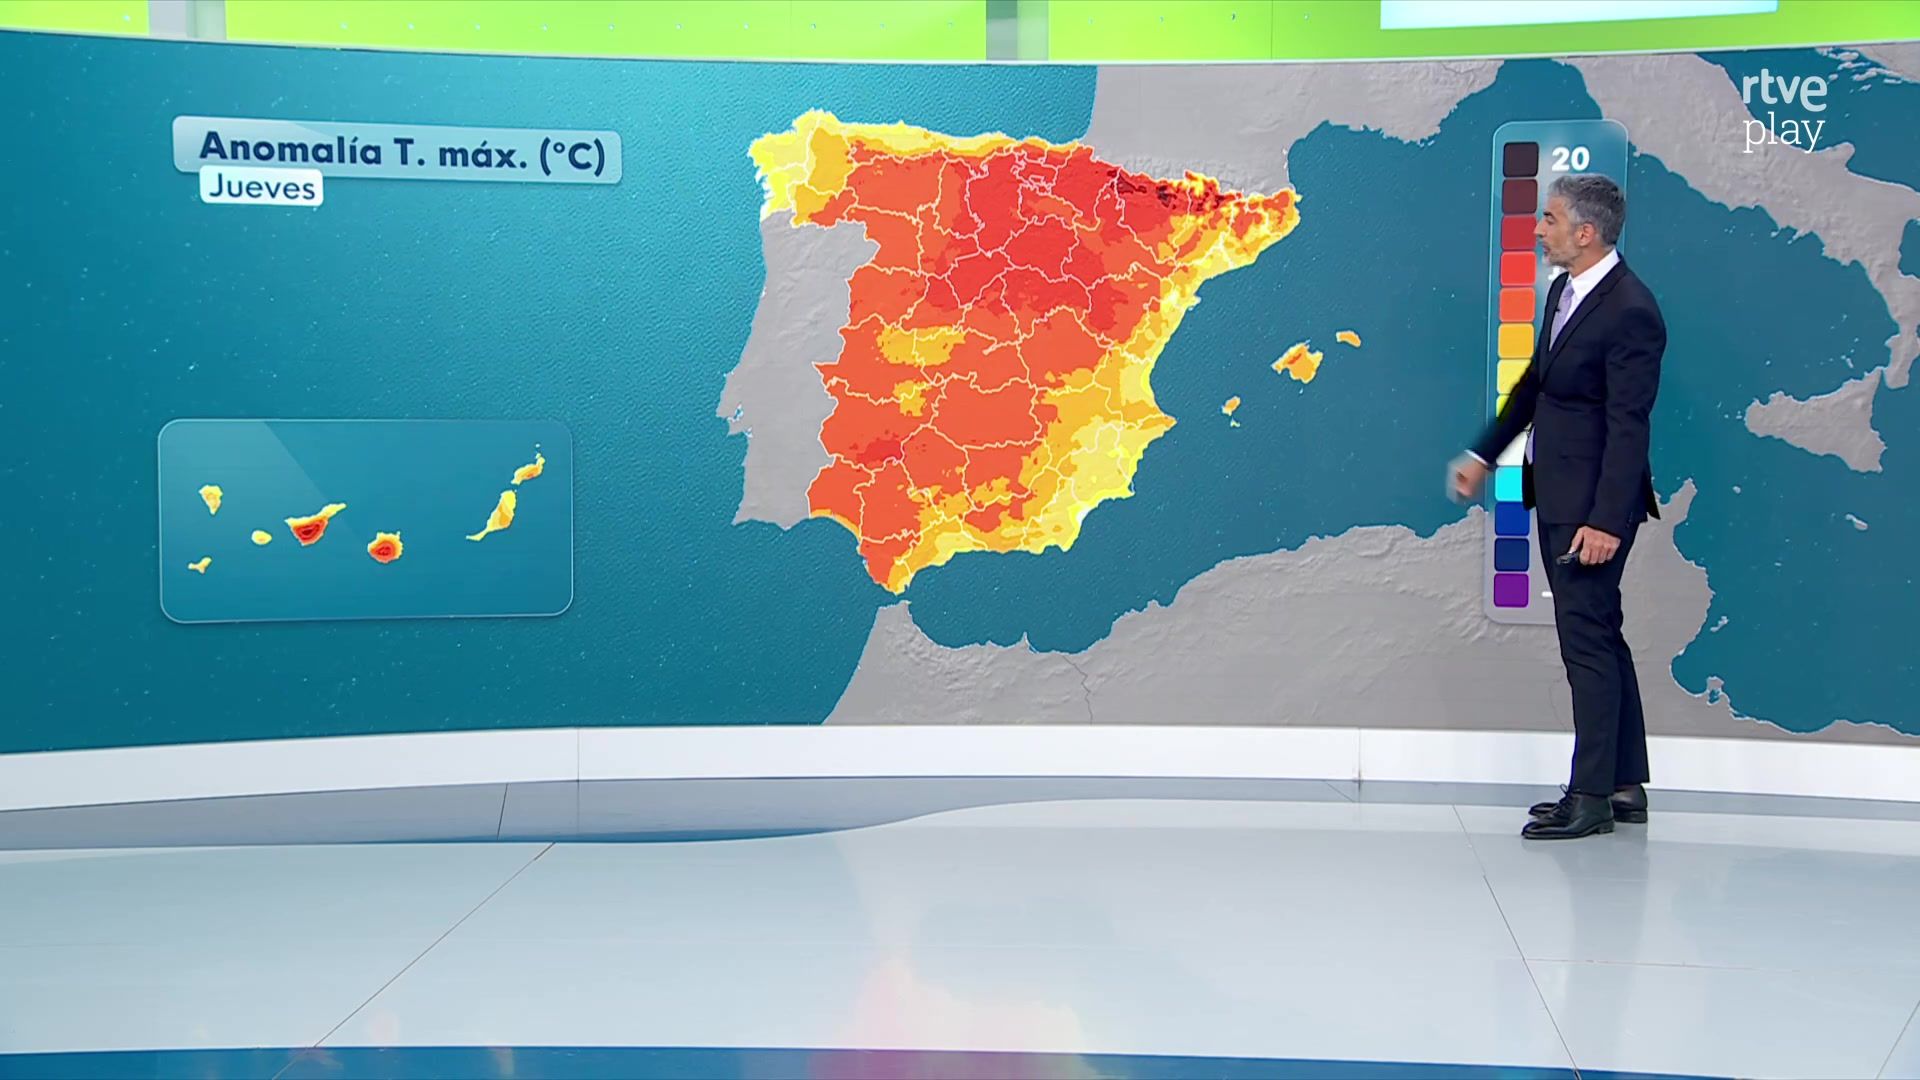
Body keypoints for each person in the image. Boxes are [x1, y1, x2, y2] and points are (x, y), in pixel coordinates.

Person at [1451, 173, 1666, 840]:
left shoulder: (1631, 309)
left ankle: (1589, 797)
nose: (1538, 230)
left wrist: (1604, 521)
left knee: (1586, 645)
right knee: (1601, 634)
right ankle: (1622, 783)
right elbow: (1535, 386)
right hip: (1562, 494)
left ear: (1586, 232)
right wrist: (1484, 453)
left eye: (1549, 219)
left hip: (1592, 509)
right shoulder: (1564, 292)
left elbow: (1629, 425)